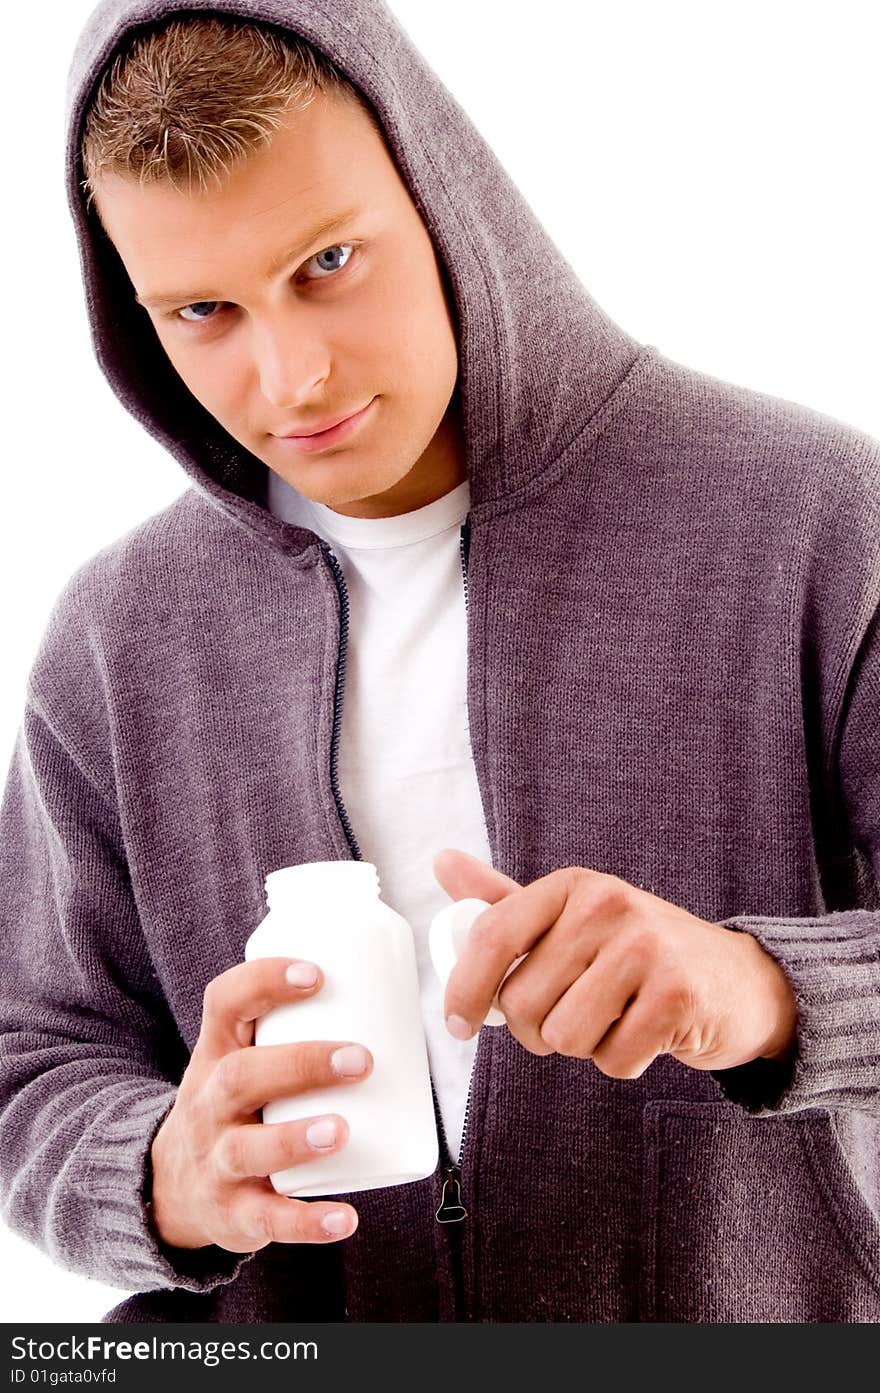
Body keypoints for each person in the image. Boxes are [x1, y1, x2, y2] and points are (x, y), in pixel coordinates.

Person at [0, 0, 878, 1325]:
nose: (291, 376)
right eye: (203, 311)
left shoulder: (810, 518)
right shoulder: (116, 636)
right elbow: (34, 1057)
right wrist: (163, 1170)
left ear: (441, 190)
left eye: (330, 261)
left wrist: (759, 989)